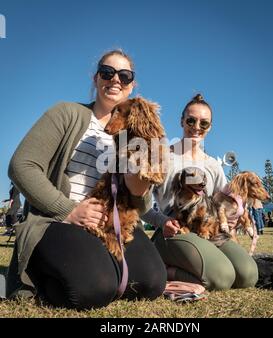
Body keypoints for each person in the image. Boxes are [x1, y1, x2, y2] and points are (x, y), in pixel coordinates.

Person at [6, 49, 167, 309]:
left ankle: (95, 265)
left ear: (132, 85)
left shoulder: (132, 133)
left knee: (151, 282)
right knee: (94, 289)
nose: (115, 79)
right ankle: (37, 272)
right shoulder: (66, 113)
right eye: (107, 72)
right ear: (96, 79)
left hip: (113, 226)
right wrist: (69, 210)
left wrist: (140, 173)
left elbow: (143, 203)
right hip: (58, 221)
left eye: (124, 76)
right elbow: (22, 165)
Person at [142, 93, 258, 291]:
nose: (196, 127)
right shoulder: (162, 157)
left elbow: (224, 203)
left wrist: (235, 215)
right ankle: (164, 268)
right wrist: (162, 222)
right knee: (222, 278)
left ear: (210, 127)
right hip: (175, 231)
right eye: (191, 120)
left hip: (208, 231)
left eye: (204, 123)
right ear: (181, 121)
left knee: (248, 275)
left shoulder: (213, 165)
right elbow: (139, 204)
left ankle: (199, 261)